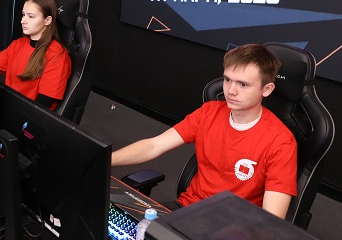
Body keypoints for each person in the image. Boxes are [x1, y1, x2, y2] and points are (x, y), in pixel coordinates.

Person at [111, 44, 297, 218]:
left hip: (231, 227)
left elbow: (272, 219)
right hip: (187, 209)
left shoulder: (281, 142)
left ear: (267, 89)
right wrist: (105, 159)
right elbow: (154, 145)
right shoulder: (209, 112)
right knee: (116, 224)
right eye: (227, 80)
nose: (231, 91)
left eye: (243, 84)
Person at [0, 0, 72, 110]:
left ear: (47, 20)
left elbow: (43, 102)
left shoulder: (57, 55)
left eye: (31, 16)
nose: (23, 21)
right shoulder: (18, 44)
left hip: (27, 113)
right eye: (23, 15)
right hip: (8, 105)